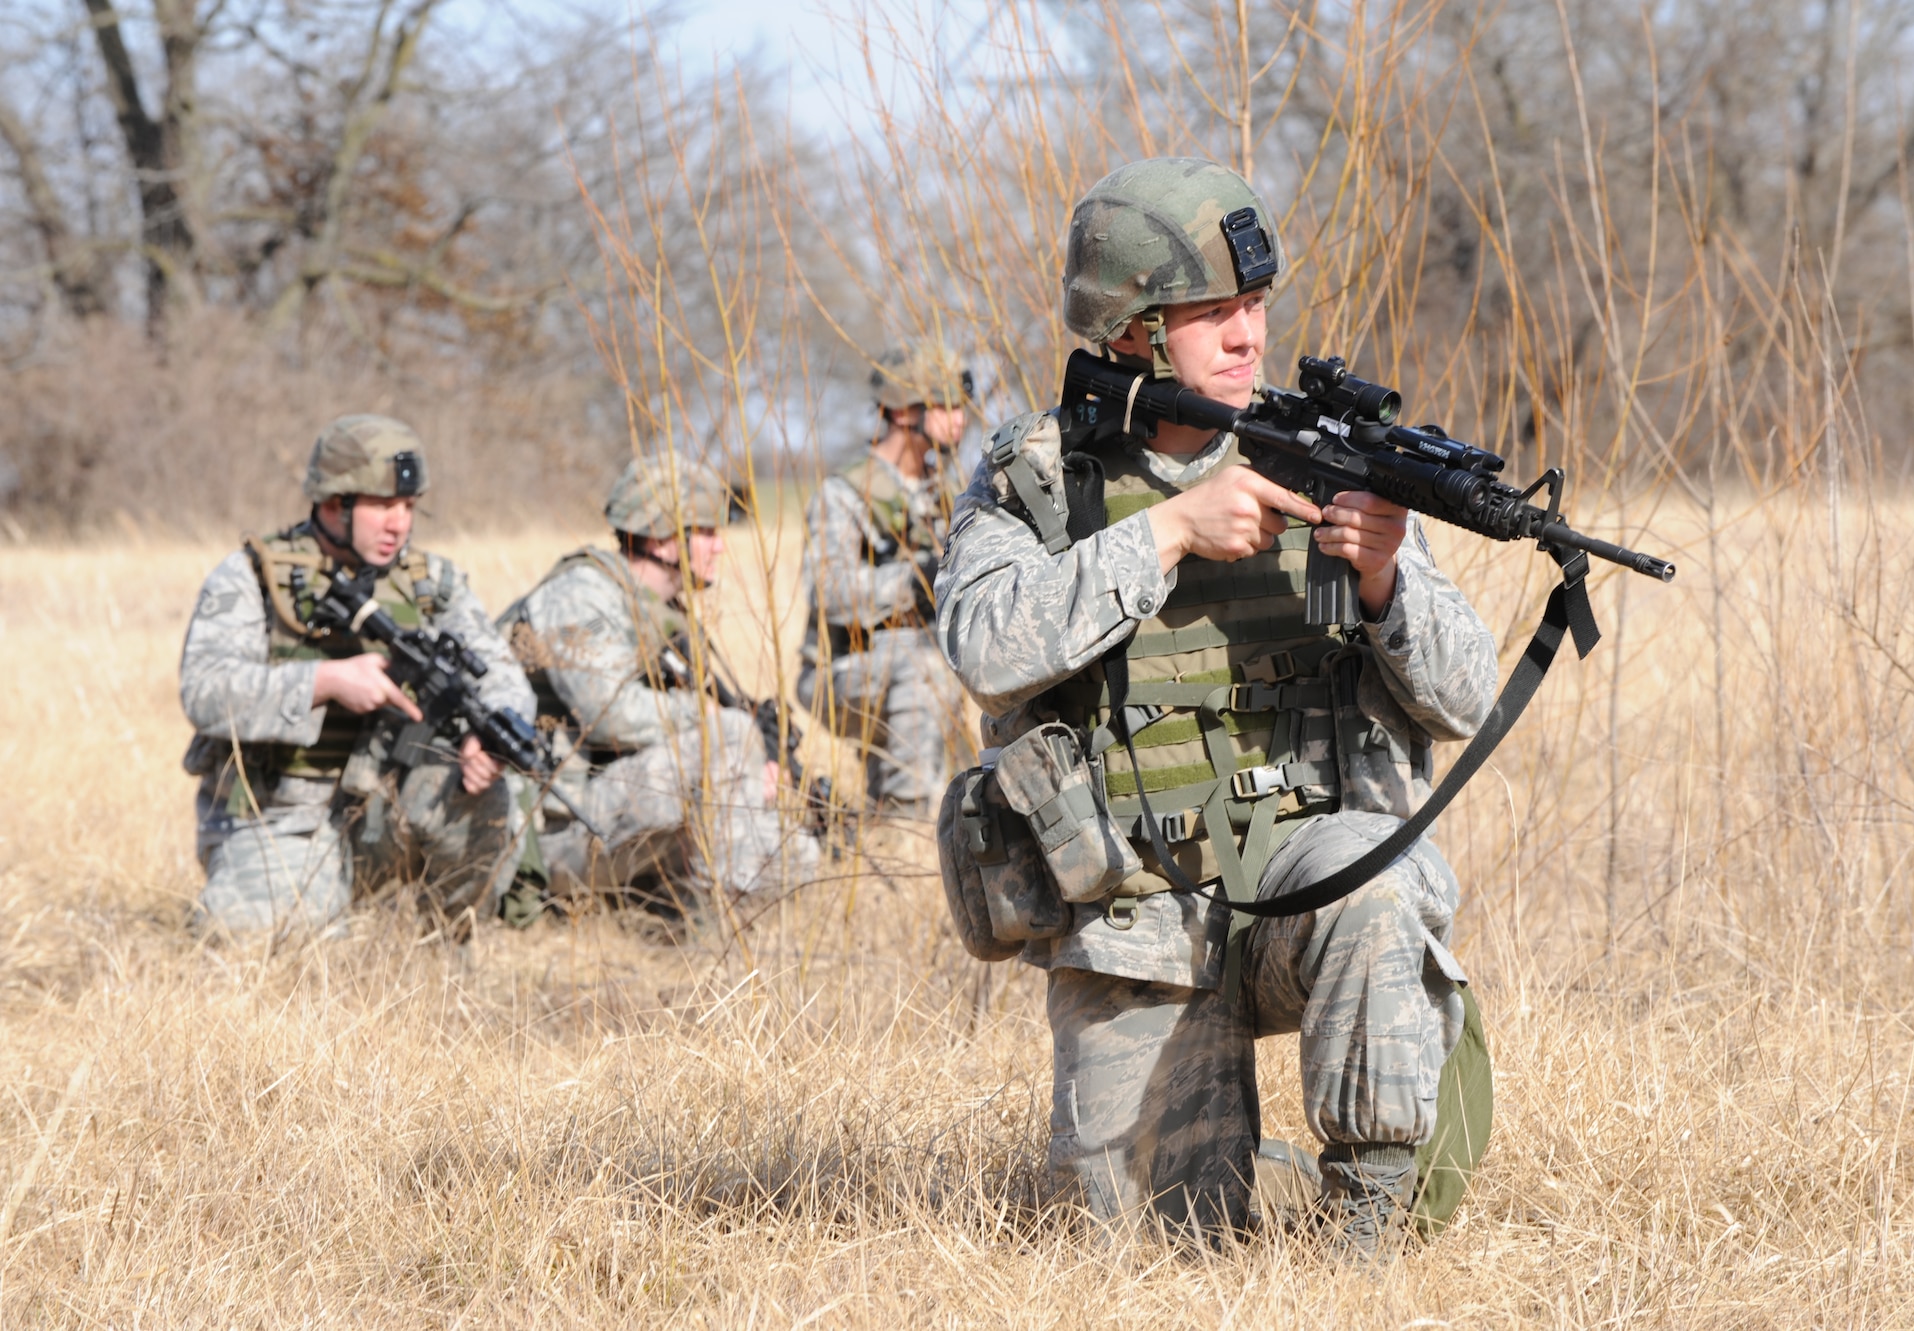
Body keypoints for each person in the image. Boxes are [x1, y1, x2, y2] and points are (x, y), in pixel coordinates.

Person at [935, 158, 1500, 1253]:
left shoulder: (1325, 461)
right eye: (1212, 314)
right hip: (1133, 918)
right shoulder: (1036, 480)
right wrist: (1169, 530)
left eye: (1254, 307)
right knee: (1147, 1242)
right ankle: (1247, 1169)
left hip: (1310, 881)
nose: (1247, 335)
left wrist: (1382, 580)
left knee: (1381, 884)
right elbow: (985, 648)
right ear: (1134, 329)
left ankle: (1366, 1229)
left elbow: (1465, 693)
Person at [179, 415, 532, 936]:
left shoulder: (433, 584)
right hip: (279, 816)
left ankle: (444, 945)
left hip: (382, 812)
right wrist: (325, 681)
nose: (399, 524)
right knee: (262, 944)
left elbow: (505, 680)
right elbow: (205, 692)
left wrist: (490, 737)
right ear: (332, 503)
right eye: (383, 506)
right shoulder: (255, 576)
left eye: (408, 507)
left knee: (484, 796)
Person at [498, 454, 815, 913]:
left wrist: (752, 769)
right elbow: (610, 714)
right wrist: (712, 725)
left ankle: (693, 906)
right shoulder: (582, 593)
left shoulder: (658, 613)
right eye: (706, 532)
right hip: (551, 834)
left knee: (802, 855)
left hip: (607, 816)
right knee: (724, 737)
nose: (719, 547)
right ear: (664, 540)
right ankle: (715, 928)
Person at [796, 341, 975, 819]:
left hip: (919, 658)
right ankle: (907, 818)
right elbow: (829, 594)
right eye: (943, 405)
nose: (959, 419)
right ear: (901, 412)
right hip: (839, 672)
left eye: (961, 406)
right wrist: (916, 581)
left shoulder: (952, 491)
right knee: (921, 665)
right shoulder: (846, 494)